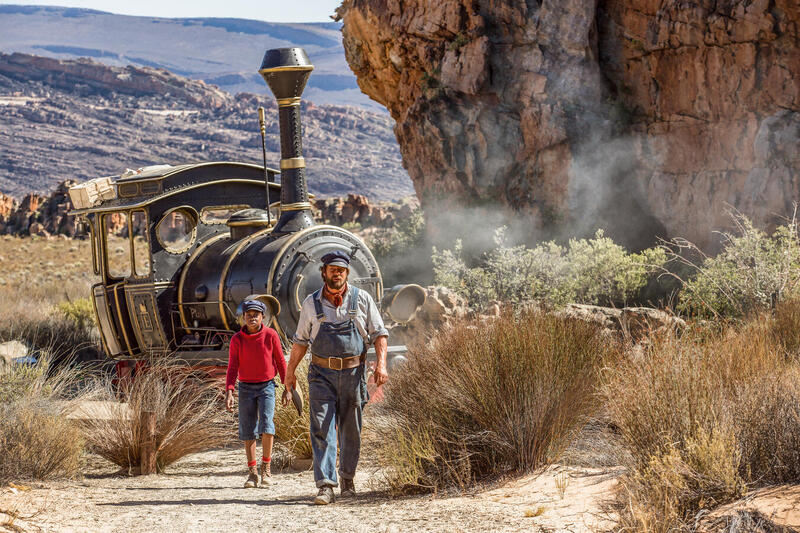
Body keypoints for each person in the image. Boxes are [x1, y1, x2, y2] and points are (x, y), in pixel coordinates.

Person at [284, 250, 388, 505]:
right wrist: (290, 374)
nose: (337, 273)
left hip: (354, 374)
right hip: (321, 375)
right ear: (324, 272)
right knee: (321, 428)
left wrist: (382, 365)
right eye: (332, 269)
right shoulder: (311, 303)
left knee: (351, 431)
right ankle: (326, 486)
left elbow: (379, 334)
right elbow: (300, 342)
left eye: (341, 270)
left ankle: (348, 480)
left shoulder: (362, 299)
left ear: (346, 273)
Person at [225, 299, 286, 488]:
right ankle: (252, 473)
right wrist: (229, 391)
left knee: (267, 425)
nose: (252, 318)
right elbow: (233, 365)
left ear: (263, 317)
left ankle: (266, 469)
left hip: (267, 386)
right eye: (248, 315)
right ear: (243, 317)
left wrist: (288, 387)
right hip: (245, 388)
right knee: (248, 429)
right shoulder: (237, 339)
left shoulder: (271, 335)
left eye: (256, 315)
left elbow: (280, 361)